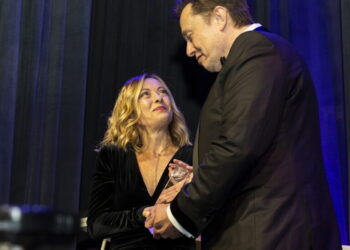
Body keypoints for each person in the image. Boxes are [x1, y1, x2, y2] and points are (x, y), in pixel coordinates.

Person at [147, 1, 342, 249]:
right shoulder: (250, 57)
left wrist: (179, 213)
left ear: (219, 17)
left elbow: (237, 147)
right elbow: (258, 148)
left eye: (190, 35)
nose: (188, 50)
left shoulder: (257, 51)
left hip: (272, 233)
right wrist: (195, 180)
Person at [87, 73, 195, 249]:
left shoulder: (192, 157)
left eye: (163, 92)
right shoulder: (113, 155)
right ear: (129, 109)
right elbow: (97, 224)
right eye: (146, 94)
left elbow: (208, 218)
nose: (158, 98)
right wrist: (144, 213)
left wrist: (194, 188)